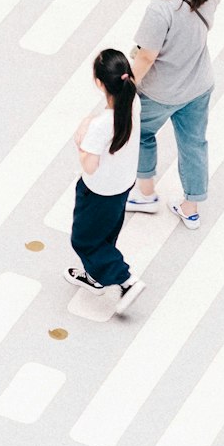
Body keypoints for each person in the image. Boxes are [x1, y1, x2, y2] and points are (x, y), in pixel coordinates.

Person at [126, 0, 219, 230]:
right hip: (199, 83)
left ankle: (146, 194)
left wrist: (126, 90)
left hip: (161, 91)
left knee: (140, 134)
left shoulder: (161, 8)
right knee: (194, 144)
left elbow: (146, 56)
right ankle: (191, 207)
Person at [64, 49, 146, 314]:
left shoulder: (101, 125)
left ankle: (125, 280)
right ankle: (96, 276)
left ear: (100, 83)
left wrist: (80, 141)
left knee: (84, 240)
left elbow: (90, 165)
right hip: (123, 184)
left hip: (98, 190)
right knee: (107, 231)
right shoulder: (132, 101)